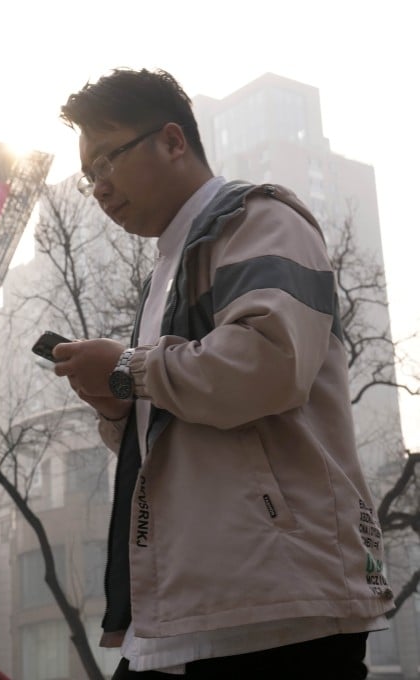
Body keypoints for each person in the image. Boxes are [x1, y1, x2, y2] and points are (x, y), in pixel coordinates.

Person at [52, 68, 393, 679]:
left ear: (173, 141)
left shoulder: (258, 218)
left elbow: (268, 363)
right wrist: (115, 401)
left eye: (107, 160)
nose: (99, 187)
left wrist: (128, 368)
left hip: (277, 605)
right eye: (88, 175)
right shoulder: (167, 269)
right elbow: (174, 413)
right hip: (192, 606)